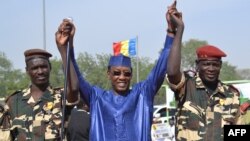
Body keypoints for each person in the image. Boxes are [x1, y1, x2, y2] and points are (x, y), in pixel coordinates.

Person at [55, 1, 184, 140]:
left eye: (126, 73)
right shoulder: (96, 97)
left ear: (131, 75)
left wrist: (172, 31)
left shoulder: (142, 94)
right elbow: (76, 77)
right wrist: (67, 46)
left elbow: (162, 63)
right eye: (116, 73)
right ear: (108, 74)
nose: (122, 77)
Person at [166, 7, 240, 140]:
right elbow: (172, 72)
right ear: (197, 65)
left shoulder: (231, 95)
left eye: (215, 64)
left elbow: (238, 133)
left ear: (220, 66)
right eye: (206, 64)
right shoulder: (186, 87)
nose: (211, 68)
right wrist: (179, 29)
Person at [0, 48, 79, 141]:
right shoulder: (13, 101)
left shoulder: (61, 96)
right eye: (34, 68)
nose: (40, 71)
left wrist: (63, 49)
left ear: (50, 67)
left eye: (44, 67)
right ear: (27, 71)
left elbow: (74, 88)